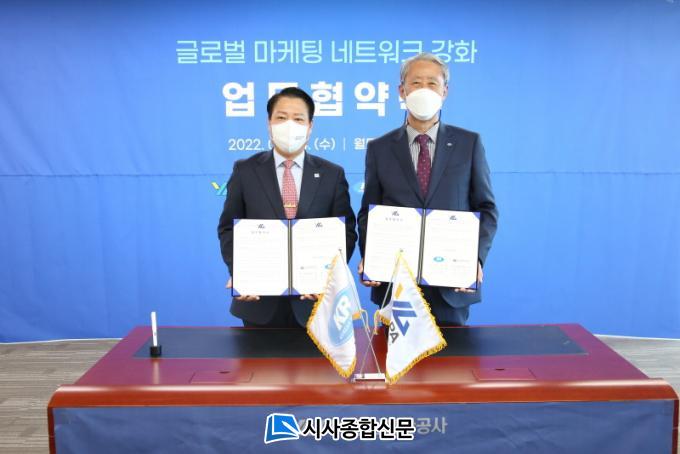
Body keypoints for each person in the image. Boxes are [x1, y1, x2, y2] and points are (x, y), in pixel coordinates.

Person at [357, 53, 498, 326]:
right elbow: (368, 213)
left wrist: (475, 259)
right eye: (416, 83)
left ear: (445, 91)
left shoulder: (468, 144)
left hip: (451, 287)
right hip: (395, 285)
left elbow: (486, 208)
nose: (424, 90)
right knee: (392, 354)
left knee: (453, 355)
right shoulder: (380, 148)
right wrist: (371, 256)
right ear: (402, 90)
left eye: (432, 83)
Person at [218, 87, 357, 328]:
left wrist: (328, 277)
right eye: (281, 118)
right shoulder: (245, 170)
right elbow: (228, 228)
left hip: (315, 304)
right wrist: (241, 272)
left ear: (310, 126)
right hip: (258, 302)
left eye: (298, 119)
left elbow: (345, 232)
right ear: (269, 123)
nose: (289, 125)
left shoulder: (331, 174)